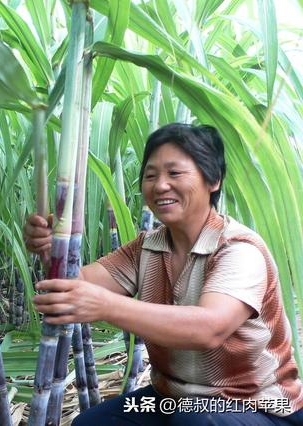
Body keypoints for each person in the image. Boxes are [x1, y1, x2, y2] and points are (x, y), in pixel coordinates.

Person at [23, 123, 303, 425]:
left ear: (214, 180)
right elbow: (77, 285)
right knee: (92, 423)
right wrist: (53, 250)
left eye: (175, 173)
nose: (159, 185)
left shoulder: (239, 249)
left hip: (256, 405)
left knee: (195, 423)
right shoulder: (147, 246)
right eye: (151, 175)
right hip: (171, 401)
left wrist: (105, 306)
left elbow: (209, 329)